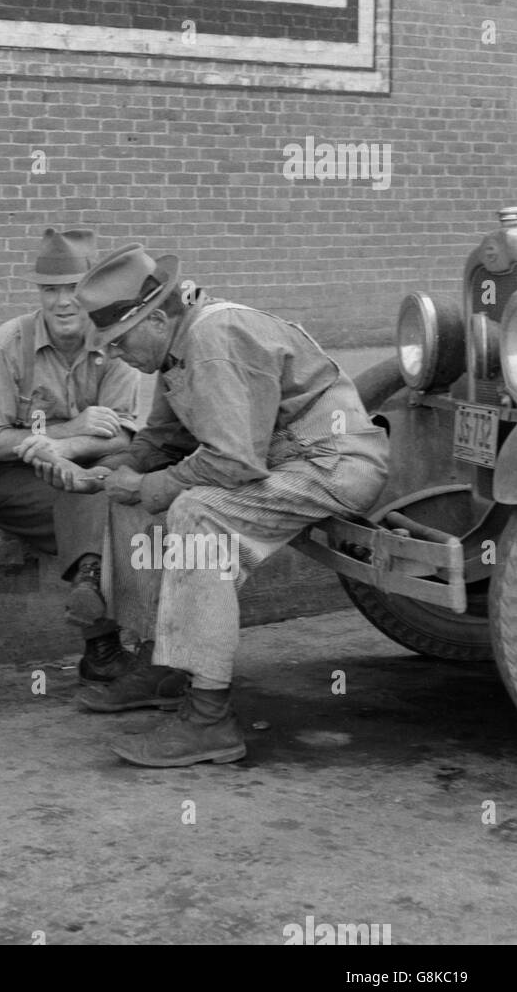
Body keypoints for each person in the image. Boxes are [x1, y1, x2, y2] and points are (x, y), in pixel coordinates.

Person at [36, 244, 389, 767]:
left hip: (331, 463)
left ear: (155, 319)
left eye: (118, 340)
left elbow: (233, 463)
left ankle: (209, 720)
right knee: (137, 498)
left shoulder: (213, 339)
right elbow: (162, 438)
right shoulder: (180, 341)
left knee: (196, 512)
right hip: (286, 461)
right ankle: (165, 665)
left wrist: (151, 486)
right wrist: (115, 474)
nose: (112, 354)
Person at [0, 228, 143, 684]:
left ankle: (94, 586)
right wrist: (72, 428)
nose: (63, 302)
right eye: (50, 290)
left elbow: (124, 434)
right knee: (93, 505)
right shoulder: (3, 347)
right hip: (9, 476)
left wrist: (63, 447)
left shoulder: (115, 344)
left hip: (89, 465)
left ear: (91, 291)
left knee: (124, 486)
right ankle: (102, 645)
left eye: (73, 289)